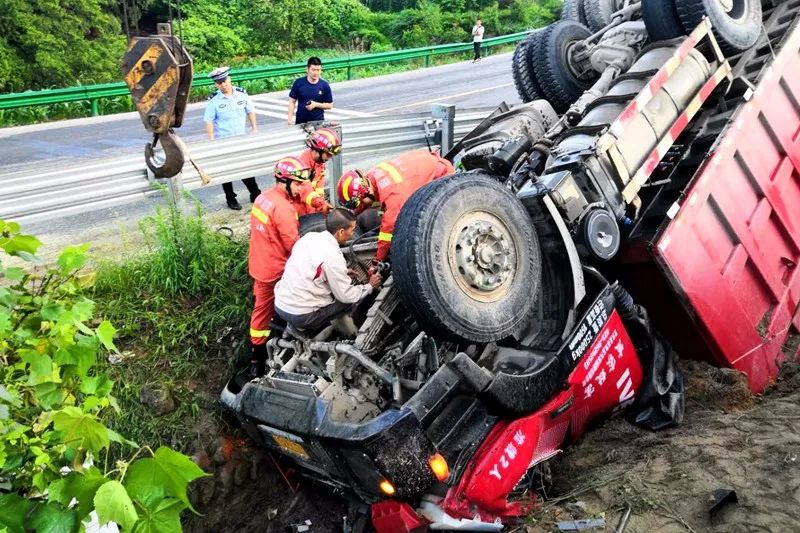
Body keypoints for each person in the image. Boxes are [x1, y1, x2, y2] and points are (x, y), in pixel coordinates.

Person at [247, 156, 313, 377]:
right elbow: (294, 246)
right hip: (276, 270)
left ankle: (256, 360)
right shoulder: (284, 209)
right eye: (297, 184)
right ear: (285, 181)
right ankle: (284, 343)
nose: (300, 188)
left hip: (259, 264)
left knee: (260, 312)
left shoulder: (262, 198)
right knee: (300, 301)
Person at [274, 209, 383, 337]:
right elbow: (346, 296)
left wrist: (341, 272)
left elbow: (307, 268)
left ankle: (298, 327)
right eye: (352, 230)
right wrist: (370, 286)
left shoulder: (308, 238)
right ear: (341, 232)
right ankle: (345, 332)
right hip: (302, 315)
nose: (353, 233)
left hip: (280, 304)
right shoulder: (333, 256)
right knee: (348, 301)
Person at [337, 149, 455, 266]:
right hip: (427, 163)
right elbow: (365, 199)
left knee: (421, 231)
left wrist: (378, 261)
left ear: (365, 192)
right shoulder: (371, 176)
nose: (360, 205)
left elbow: (387, 234)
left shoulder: (394, 196)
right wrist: (350, 215)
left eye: (358, 203)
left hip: (442, 177)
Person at [204, 66, 262, 210]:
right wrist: (211, 141)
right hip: (223, 141)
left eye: (224, 81)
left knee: (245, 166)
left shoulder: (241, 94)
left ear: (229, 79)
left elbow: (250, 111)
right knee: (227, 171)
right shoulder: (214, 100)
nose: (223, 84)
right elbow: (209, 121)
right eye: (219, 82)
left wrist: (254, 128)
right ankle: (230, 198)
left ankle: (255, 193)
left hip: (241, 138)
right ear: (216, 84)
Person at [295, 127, 342, 215]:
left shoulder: (319, 164)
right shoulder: (301, 166)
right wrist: (322, 204)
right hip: (299, 213)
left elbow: (319, 189)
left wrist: (321, 206)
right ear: (318, 150)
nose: (329, 158)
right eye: (328, 154)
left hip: (310, 210)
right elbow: (306, 191)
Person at [287, 57, 333, 126]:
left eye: (318, 70)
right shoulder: (298, 83)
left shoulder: (324, 85)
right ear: (307, 69)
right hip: (301, 123)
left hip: (318, 123)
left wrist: (316, 104)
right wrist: (289, 121)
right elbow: (292, 102)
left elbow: (330, 105)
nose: (316, 73)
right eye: (313, 70)